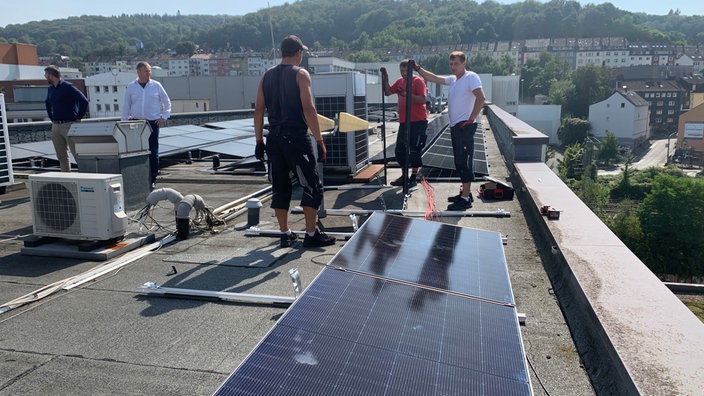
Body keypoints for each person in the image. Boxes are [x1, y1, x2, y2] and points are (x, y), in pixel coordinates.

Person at [253, 35, 335, 248]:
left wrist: (259, 140)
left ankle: (285, 233)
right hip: (295, 137)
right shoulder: (300, 74)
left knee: (280, 187)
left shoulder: (266, 76)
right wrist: (319, 140)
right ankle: (310, 234)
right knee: (311, 185)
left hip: (274, 138)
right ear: (298, 53)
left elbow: (259, 109)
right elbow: (308, 108)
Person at [415, 51, 486, 210]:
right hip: (456, 126)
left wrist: (471, 119)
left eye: (456, 64)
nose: (453, 67)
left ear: (464, 63)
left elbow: (481, 98)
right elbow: (433, 78)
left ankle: (466, 198)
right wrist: (418, 68)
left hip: (464, 126)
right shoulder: (454, 80)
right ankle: (464, 193)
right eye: (451, 64)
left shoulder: (471, 77)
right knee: (459, 161)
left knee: (464, 161)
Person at [122, 61, 171, 187]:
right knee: (136, 151)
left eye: (150, 70)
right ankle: (138, 177)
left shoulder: (156, 85)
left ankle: (153, 178)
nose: (149, 73)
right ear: (139, 72)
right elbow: (126, 106)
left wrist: (164, 117)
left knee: (153, 151)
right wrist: (124, 123)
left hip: (152, 122)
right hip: (135, 123)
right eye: (146, 70)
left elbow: (167, 102)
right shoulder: (131, 86)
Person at [382, 60, 428, 191]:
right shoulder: (400, 82)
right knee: (400, 150)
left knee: (414, 149)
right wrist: (386, 78)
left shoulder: (418, 81)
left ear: (411, 70)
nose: (404, 73)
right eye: (402, 71)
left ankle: (413, 177)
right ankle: (404, 175)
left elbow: (423, 99)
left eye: (406, 71)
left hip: (418, 121)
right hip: (404, 122)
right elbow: (388, 92)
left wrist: (406, 94)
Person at [44, 65, 88, 172]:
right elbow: (47, 103)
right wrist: (52, 118)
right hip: (56, 126)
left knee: (77, 154)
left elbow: (84, 100)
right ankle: (66, 177)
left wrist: (78, 117)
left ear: (51, 75)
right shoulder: (51, 89)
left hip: (69, 124)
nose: (45, 77)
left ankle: (85, 175)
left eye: (46, 75)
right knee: (61, 156)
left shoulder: (68, 87)